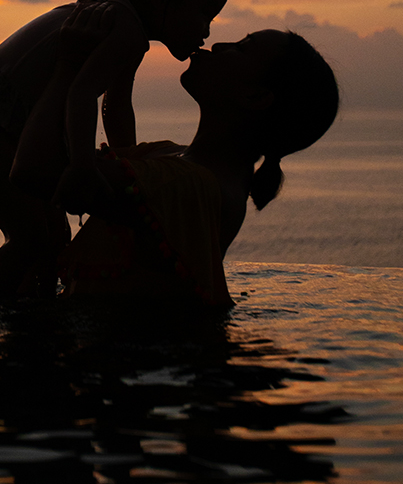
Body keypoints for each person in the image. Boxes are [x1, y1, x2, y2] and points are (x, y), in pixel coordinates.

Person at [0, 0, 228, 301]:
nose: (207, 30)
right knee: (31, 236)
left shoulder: (119, 23)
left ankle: (29, 313)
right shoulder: (123, 30)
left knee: (53, 237)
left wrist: (128, 162)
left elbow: (115, 102)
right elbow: (80, 96)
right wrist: (81, 166)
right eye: (203, 14)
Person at [28, 26, 340, 306]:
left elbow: (36, 169)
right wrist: (122, 55)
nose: (219, 46)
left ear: (255, 96)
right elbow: (116, 135)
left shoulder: (185, 185)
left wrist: (68, 69)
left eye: (241, 47)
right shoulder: (177, 162)